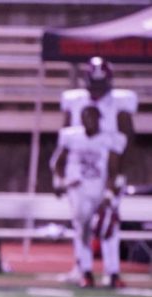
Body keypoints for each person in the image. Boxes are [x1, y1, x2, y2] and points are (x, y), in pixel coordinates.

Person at [58, 56, 137, 285]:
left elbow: (127, 141)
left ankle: (112, 272)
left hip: (107, 174)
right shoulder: (75, 114)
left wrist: (119, 178)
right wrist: (62, 178)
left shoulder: (118, 107)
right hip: (81, 178)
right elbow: (62, 148)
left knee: (109, 223)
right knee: (81, 225)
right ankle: (84, 270)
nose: (97, 90)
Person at [53, 106, 127, 289]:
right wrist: (60, 182)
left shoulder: (109, 139)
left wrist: (110, 194)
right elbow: (58, 163)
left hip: (102, 190)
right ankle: (85, 272)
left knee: (109, 230)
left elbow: (115, 168)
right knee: (83, 232)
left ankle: (113, 272)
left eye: (92, 117)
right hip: (80, 191)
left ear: (99, 118)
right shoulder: (72, 137)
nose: (89, 121)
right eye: (85, 117)